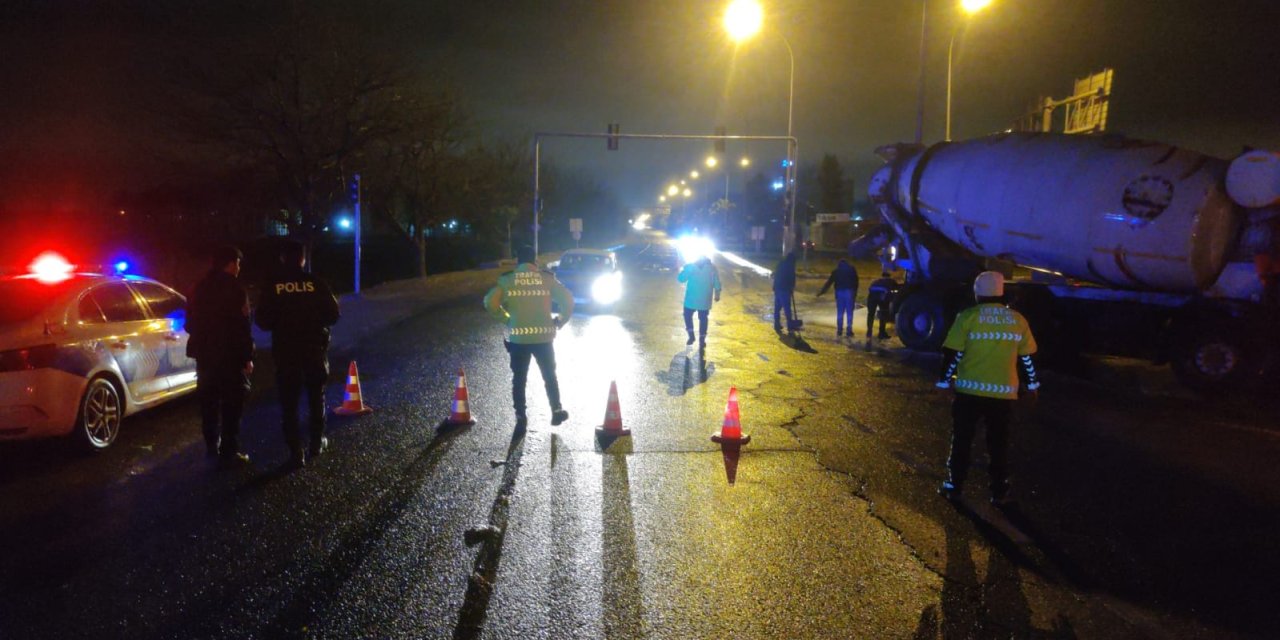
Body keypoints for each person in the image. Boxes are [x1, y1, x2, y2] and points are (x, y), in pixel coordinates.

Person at [935, 271, 1040, 507]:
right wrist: (1032, 386)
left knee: (962, 439)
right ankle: (999, 491)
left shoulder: (968, 317)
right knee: (998, 443)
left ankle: (955, 486)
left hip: (968, 392)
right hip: (1003, 396)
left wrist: (943, 383)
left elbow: (952, 353)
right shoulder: (1017, 320)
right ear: (1001, 292)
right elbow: (1027, 359)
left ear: (977, 292)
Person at [254, 240, 341, 469]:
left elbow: (262, 320)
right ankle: (315, 442)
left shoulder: (273, 286)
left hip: (286, 352)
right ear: (302, 259)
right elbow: (333, 314)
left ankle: (296, 452)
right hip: (314, 350)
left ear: (283, 258)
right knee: (316, 397)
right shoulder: (315, 283)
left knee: (289, 403)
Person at [484, 245, 574, 430]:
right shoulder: (547, 279)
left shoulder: (508, 280)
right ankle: (556, 409)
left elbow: (489, 302)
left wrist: (507, 320)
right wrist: (560, 320)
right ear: (536, 260)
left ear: (518, 260)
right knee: (549, 375)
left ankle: (520, 415)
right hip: (544, 339)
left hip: (519, 340)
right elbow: (568, 300)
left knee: (519, 378)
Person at [186, 246, 255, 468]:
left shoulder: (198, 287)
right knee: (232, 405)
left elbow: (189, 324)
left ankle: (210, 448)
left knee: (209, 404)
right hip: (230, 356)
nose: (239, 267)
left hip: (205, 356)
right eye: (238, 263)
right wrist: (247, 357)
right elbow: (243, 326)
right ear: (231, 263)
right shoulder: (236, 289)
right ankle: (229, 450)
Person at [677, 255, 722, 348]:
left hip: (691, 300)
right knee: (703, 319)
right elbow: (717, 283)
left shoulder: (691, 267)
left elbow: (681, 279)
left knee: (687, 316)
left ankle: (691, 336)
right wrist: (717, 295)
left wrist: (683, 268)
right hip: (705, 300)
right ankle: (702, 340)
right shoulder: (712, 269)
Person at [816, 258, 859, 338]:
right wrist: (854, 293)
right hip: (849, 292)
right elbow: (856, 282)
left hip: (840, 292)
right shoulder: (852, 270)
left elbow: (829, 283)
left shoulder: (836, 271)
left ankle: (839, 330)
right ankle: (849, 330)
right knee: (849, 311)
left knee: (840, 311)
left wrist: (821, 292)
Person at [865, 271, 899, 340]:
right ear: (889, 276)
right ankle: (881, 333)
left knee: (871, 314)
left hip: (872, 296)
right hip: (882, 296)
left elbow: (870, 289)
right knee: (883, 314)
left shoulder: (876, 281)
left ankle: (869, 331)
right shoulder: (891, 281)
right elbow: (897, 289)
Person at [771, 251, 798, 334]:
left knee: (777, 308)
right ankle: (790, 326)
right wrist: (791, 287)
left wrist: (774, 287)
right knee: (787, 309)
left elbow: (774, 275)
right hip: (785, 290)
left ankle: (776, 324)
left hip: (778, 289)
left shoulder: (780, 264)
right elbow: (792, 278)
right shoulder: (790, 266)